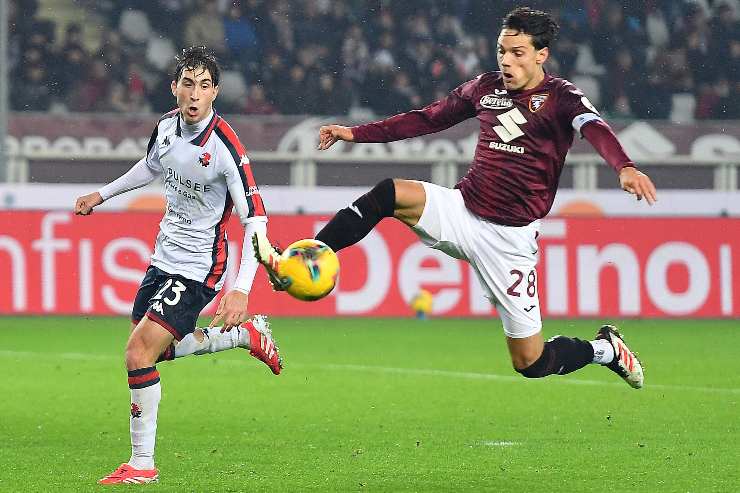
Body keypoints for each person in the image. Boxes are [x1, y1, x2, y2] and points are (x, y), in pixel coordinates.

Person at [255, 7, 657, 390]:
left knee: (531, 363)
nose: (507, 61)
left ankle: (605, 350)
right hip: (462, 210)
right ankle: (310, 255)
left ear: (541, 55)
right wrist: (356, 133)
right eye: (502, 51)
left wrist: (623, 166)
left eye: (518, 54)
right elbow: (426, 118)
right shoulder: (485, 88)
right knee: (390, 193)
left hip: (510, 241)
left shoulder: (562, 97)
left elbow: (596, 128)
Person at [74, 46, 282, 485]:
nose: (194, 94)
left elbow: (256, 221)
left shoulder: (226, 147)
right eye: (187, 83)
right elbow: (148, 167)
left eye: (204, 86)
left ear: (215, 93)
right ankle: (243, 337)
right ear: (174, 87)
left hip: (199, 267)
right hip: (161, 257)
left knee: (136, 353)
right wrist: (102, 194)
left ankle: (142, 464)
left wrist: (242, 287)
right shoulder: (166, 127)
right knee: (156, 350)